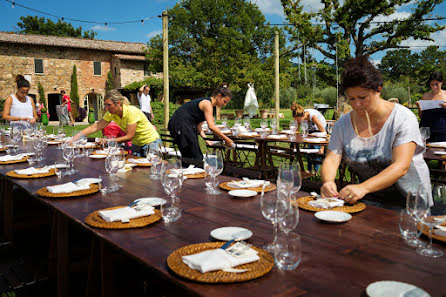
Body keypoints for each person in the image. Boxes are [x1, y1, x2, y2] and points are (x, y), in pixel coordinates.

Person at [320, 56, 432, 207]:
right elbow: (332, 159)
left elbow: (401, 166)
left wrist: (363, 187)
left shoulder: (402, 118)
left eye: (363, 97)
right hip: (370, 202)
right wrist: (328, 182)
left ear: (378, 89)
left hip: (412, 204)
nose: (357, 104)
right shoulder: (342, 124)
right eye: (351, 99)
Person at [73, 90, 160, 156]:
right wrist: (78, 136)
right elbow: (95, 127)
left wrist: (109, 140)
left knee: (152, 172)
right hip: (137, 143)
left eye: (109, 105)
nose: (106, 108)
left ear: (118, 103)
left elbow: (130, 136)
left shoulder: (131, 112)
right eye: (105, 105)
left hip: (151, 142)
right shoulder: (111, 114)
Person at [168, 83, 234, 160]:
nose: (224, 104)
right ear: (219, 96)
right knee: (195, 157)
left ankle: (188, 169)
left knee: (191, 156)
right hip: (180, 124)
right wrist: (227, 139)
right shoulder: (207, 104)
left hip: (186, 125)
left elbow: (199, 125)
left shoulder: (211, 107)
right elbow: (211, 126)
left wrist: (206, 139)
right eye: (224, 101)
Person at [291, 102, 326, 173]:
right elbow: (297, 132)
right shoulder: (299, 116)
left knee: (316, 149)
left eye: (298, 120)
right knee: (309, 150)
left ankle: (315, 171)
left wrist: (322, 147)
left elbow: (324, 133)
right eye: (296, 120)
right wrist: (295, 144)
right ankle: (309, 170)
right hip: (310, 130)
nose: (297, 122)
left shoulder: (313, 117)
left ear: (303, 115)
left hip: (320, 129)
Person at [418, 71, 446, 142]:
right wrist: (419, 107)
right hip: (427, 131)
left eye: (437, 84)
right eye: (432, 84)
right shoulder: (425, 96)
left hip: (443, 131)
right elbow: (421, 116)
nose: (434, 87)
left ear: (441, 82)